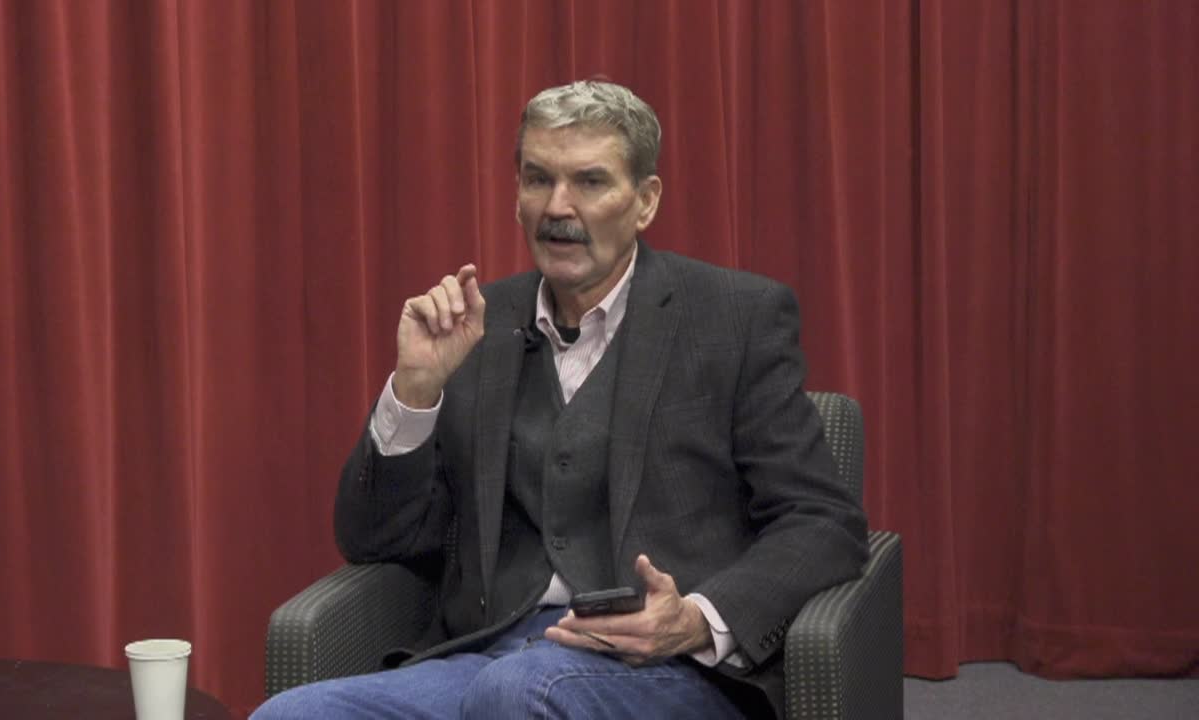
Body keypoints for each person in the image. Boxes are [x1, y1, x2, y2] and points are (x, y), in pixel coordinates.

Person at [254, 80, 868, 719]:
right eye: (538, 179)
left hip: (663, 668)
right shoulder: (473, 328)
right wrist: (416, 388)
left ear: (644, 201)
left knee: (521, 695)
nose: (558, 207)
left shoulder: (735, 318)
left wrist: (695, 620)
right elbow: (374, 540)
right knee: (289, 716)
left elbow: (823, 521)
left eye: (590, 182)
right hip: (487, 655)